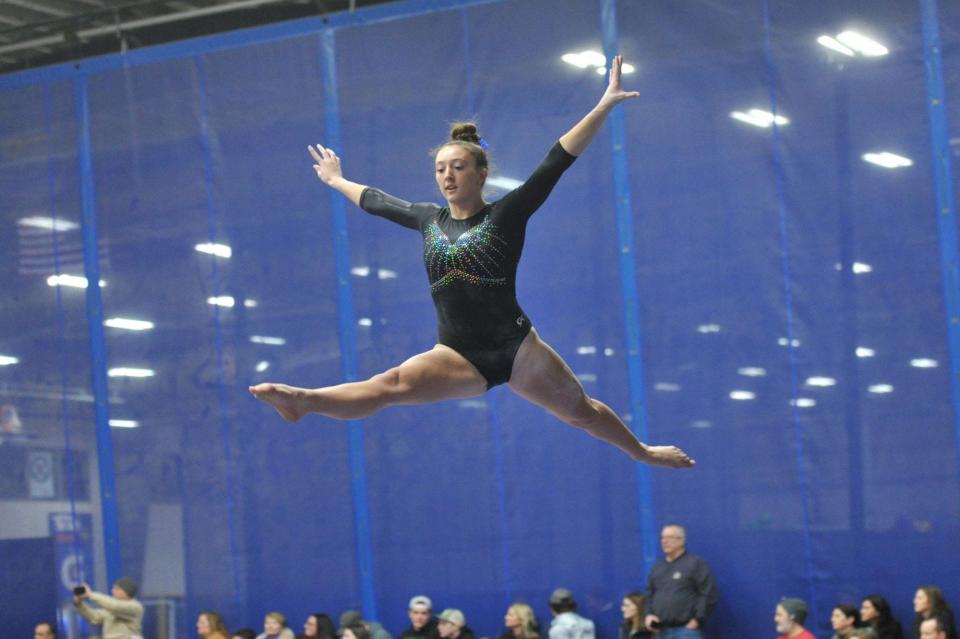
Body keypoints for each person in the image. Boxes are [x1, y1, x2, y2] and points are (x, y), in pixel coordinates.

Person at [249, 55, 694, 470]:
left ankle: (643, 452)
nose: (447, 176)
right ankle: (303, 399)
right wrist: (337, 180)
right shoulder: (427, 219)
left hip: (517, 348)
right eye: (441, 168)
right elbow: (376, 202)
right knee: (391, 385)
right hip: (457, 353)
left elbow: (555, 162)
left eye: (458, 167)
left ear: (480, 173)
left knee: (580, 412)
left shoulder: (506, 214)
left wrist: (603, 106)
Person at [644, 525, 718, 637]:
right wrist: (648, 614)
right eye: (662, 538)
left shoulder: (695, 564)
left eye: (669, 537)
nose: (664, 541)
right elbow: (649, 594)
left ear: (681, 541)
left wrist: (697, 619)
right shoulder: (657, 568)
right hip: (660, 631)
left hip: (686, 631)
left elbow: (708, 594)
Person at [72, 578, 144, 639]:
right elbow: (95, 617)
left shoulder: (135, 606)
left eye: (116, 589)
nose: (112, 591)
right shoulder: (111, 609)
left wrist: (90, 594)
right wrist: (79, 604)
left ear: (126, 591)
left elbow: (115, 606)